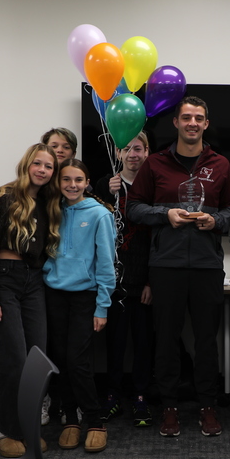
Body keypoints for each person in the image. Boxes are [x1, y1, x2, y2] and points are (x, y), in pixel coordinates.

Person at [127, 96, 230, 438]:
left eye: (199, 118)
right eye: (186, 117)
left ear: (206, 124)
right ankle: (170, 407)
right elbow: (134, 208)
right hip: (166, 265)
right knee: (167, 341)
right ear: (175, 122)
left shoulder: (221, 164)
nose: (192, 123)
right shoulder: (156, 163)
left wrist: (214, 220)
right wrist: (166, 214)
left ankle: (207, 406)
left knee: (207, 340)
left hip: (206, 266)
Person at [0, 143, 61, 457]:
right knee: (13, 361)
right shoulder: (3, 197)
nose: (42, 170)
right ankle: (7, 431)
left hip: (33, 281)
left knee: (38, 358)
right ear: (26, 165)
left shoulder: (47, 202)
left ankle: (28, 429)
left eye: (48, 166)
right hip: (3, 280)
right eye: (37, 164)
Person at [44, 158, 116, 452]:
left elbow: (107, 263)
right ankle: (70, 418)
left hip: (86, 296)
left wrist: (102, 306)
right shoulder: (50, 211)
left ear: (87, 183)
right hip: (53, 295)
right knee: (59, 359)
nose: (72, 185)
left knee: (78, 360)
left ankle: (95, 420)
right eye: (66, 180)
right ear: (58, 183)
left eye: (78, 180)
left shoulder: (99, 214)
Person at [94, 132, 154, 427]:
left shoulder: (156, 186)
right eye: (126, 149)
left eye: (139, 148)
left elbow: (160, 239)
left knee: (144, 341)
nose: (133, 154)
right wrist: (106, 189)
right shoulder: (104, 186)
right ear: (117, 153)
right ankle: (113, 394)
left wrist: (151, 281)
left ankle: (141, 395)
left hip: (144, 281)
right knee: (114, 342)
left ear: (147, 152)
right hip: (112, 280)